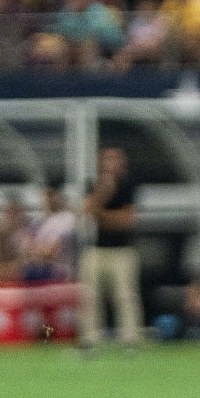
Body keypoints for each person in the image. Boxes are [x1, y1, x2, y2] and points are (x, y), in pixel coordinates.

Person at [80, 145, 143, 350]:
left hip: (122, 250)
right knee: (89, 296)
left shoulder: (129, 185)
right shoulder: (94, 184)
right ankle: (89, 340)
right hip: (96, 249)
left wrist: (101, 215)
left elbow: (125, 221)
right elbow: (87, 210)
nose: (111, 164)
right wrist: (104, 191)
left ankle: (130, 339)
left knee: (125, 297)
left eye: (115, 159)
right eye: (107, 159)